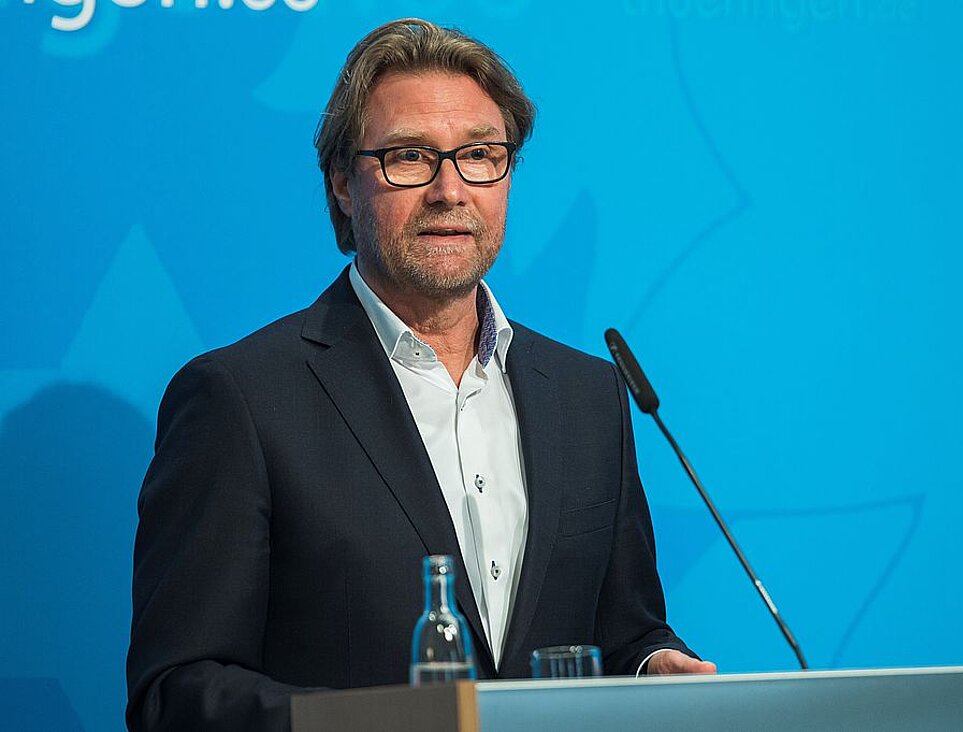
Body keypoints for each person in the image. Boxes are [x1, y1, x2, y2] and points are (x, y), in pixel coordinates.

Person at [126, 17, 713, 732]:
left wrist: (656, 669)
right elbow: (176, 691)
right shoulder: (242, 400)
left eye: (479, 154)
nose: (449, 189)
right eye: (409, 157)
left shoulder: (589, 397)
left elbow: (627, 633)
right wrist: (385, 724)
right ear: (343, 183)